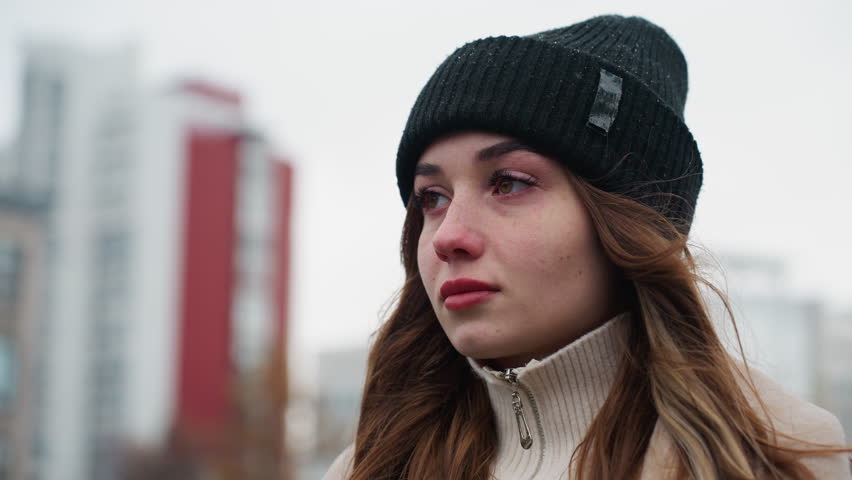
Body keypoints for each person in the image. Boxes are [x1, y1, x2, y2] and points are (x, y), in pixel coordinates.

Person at [323, 14, 852, 479]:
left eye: (508, 183)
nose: (448, 237)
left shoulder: (775, 457)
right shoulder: (369, 466)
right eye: (432, 197)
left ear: (626, 221)